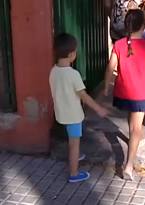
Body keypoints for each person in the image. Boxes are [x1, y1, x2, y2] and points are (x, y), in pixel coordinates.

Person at [104, 9, 145, 180]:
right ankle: (129, 165)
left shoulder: (118, 45)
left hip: (123, 91)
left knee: (132, 123)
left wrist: (105, 86)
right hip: (140, 93)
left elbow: (111, 68)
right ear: (143, 25)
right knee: (136, 128)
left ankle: (136, 141)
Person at [49, 33, 109, 182]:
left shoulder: (53, 71)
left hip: (61, 113)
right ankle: (74, 174)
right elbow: (84, 96)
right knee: (74, 145)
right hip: (73, 115)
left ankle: (74, 155)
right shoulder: (73, 74)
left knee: (72, 141)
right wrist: (98, 108)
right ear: (71, 54)